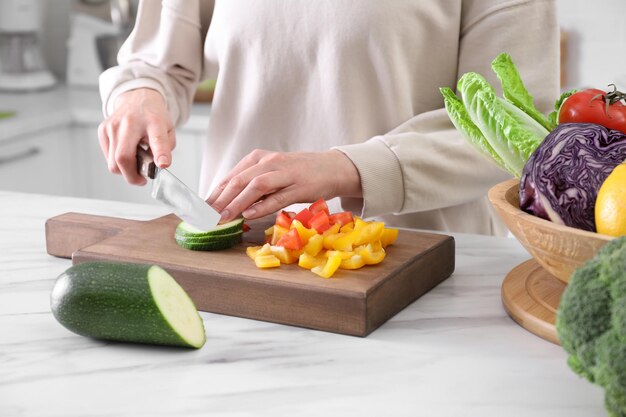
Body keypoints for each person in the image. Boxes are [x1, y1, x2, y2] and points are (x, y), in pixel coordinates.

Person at [99, 0, 559, 236]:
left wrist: (349, 168)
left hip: (419, 277)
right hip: (236, 258)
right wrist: (138, 94)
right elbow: (156, 61)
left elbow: (515, 130)